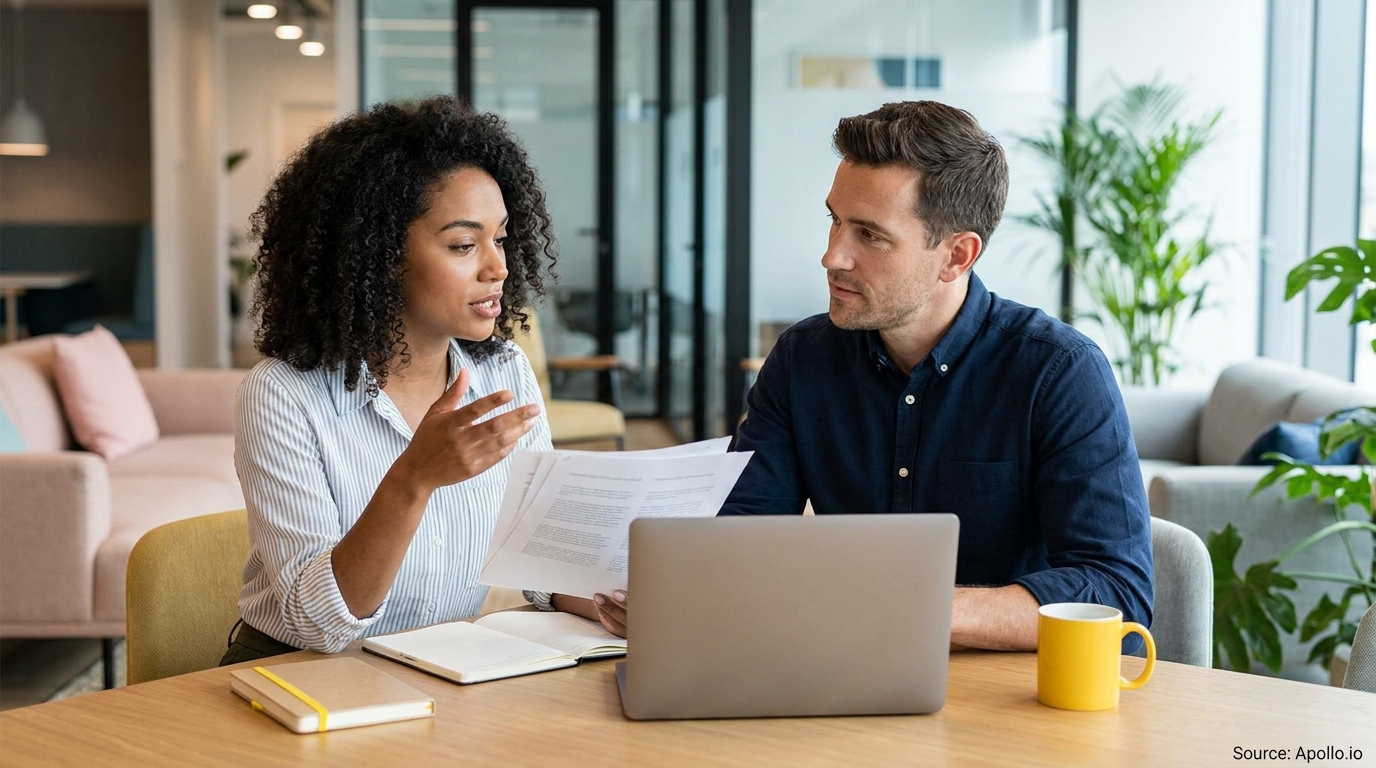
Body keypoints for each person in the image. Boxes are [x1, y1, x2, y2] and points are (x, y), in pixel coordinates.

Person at [591, 101, 1153, 650]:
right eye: (835, 221)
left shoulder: (1058, 372)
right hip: (845, 671)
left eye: (870, 235)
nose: (832, 256)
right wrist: (679, 593)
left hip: (1008, 702)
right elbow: (746, 535)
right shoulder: (802, 358)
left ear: (956, 256)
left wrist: (905, 606)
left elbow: (1117, 592)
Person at [221, 96, 558, 662]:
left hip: (438, 669)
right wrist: (415, 478)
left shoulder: (503, 371)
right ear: (379, 255)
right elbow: (321, 626)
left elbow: (539, 561)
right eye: (462, 244)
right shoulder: (283, 394)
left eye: (499, 238)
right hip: (302, 677)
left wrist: (603, 599)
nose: (497, 267)